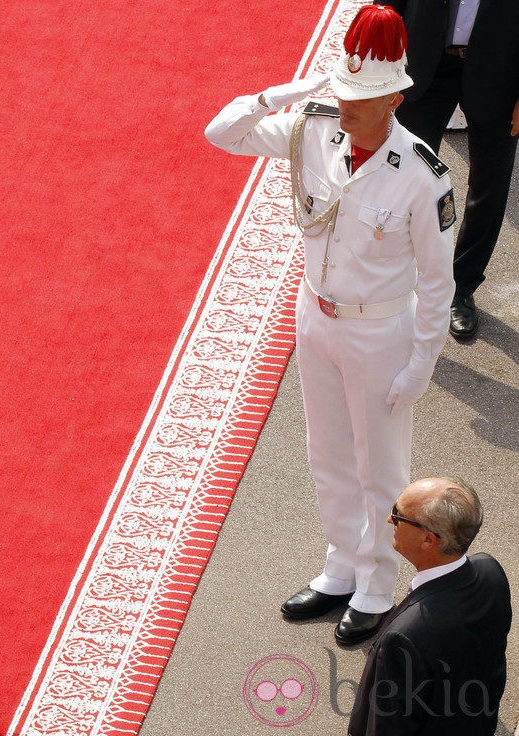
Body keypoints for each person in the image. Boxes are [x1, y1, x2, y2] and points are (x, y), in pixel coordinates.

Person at [204, 6, 455, 645]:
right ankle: (341, 566)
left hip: (379, 333)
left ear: (397, 96)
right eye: (340, 90)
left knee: (380, 467)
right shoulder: (315, 128)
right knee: (329, 454)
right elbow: (221, 133)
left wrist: (422, 361)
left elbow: (437, 282)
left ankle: (375, 585)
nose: (345, 105)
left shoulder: (423, 177)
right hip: (314, 315)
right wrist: (274, 95)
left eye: (361, 96)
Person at [377, 0, 519, 340]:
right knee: (402, 175)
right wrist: (383, 65)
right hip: (424, 63)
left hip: (500, 72)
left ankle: (460, 287)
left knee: (490, 185)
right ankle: (394, 281)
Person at [348, 477, 511, 735]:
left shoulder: (404, 637)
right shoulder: (491, 572)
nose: (391, 520)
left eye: (398, 514)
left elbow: (390, 724)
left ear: (427, 540)